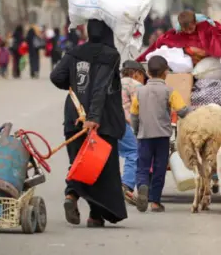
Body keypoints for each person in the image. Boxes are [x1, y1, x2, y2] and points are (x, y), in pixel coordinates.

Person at [50, 19, 127, 228]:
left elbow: (56, 76)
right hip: (100, 121)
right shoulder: (110, 55)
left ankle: (71, 197)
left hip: (74, 115)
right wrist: (93, 118)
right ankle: (95, 216)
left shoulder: (75, 52)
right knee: (99, 167)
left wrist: (74, 84)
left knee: (79, 162)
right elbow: (100, 87)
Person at [130, 55, 191, 213]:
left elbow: (134, 115)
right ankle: (155, 202)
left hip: (144, 136)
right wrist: (197, 112)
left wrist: (137, 131)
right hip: (162, 136)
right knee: (159, 168)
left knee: (142, 167)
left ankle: (143, 186)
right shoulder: (170, 91)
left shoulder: (140, 92)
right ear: (165, 73)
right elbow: (182, 111)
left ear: (148, 73)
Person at [119, 60, 147, 205]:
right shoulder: (136, 85)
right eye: (143, 76)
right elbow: (138, 109)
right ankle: (127, 185)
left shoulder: (114, 81)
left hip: (105, 123)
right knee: (133, 152)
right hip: (124, 124)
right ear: (137, 73)